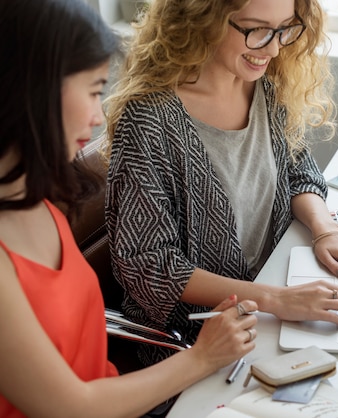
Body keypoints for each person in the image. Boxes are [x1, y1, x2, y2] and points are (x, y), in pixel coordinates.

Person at [0, 0, 257, 416]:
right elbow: (71, 407)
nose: (99, 115)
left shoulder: (38, 197)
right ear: (31, 90)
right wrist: (202, 357)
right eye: (91, 90)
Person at [104, 0, 338, 366]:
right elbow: (148, 265)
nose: (273, 49)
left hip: (274, 293)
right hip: (199, 338)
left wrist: (326, 231)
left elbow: (298, 170)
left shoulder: (266, 85)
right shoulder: (149, 120)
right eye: (256, 30)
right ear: (202, 19)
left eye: (284, 29)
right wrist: (274, 299)